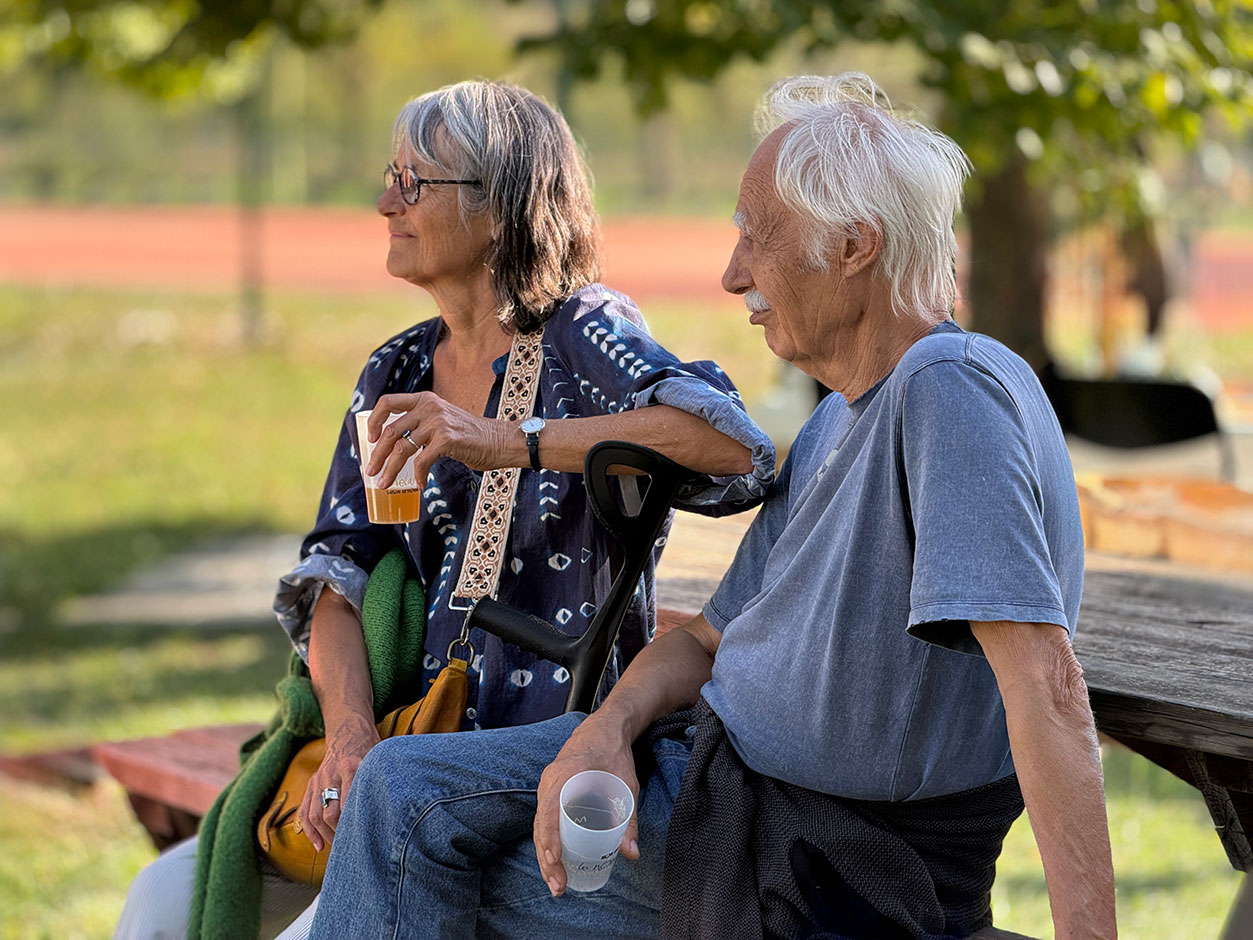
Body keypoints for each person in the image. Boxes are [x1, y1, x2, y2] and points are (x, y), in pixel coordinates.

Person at [310, 72, 1118, 940]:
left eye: (756, 238)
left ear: (853, 245)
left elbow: (1045, 681)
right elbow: (703, 637)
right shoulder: (844, 415)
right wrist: (604, 731)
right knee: (396, 792)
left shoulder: (946, 390)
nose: (733, 275)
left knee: (404, 842)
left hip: (809, 842)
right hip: (707, 774)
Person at [114, 80, 773, 940]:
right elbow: (335, 580)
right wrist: (349, 735)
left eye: (415, 183)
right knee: (160, 903)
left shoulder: (582, 333)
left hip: (531, 759)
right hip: (405, 750)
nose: (385, 202)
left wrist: (509, 439)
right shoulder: (395, 370)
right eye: (391, 176)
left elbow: (733, 451)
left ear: (501, 209)